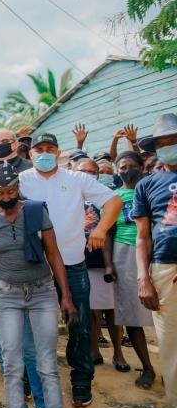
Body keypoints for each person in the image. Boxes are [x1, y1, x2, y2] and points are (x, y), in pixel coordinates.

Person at [0, 164, 78, 408]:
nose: (6, 197)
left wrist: (65, 295)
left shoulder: (36, 211)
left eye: (11, 191)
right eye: (0, 193)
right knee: (12, 361)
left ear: (18, 187)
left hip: (42, 292)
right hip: (7, 295)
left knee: (47, 363)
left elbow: (53, 254)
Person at [19, 132, 122, 408]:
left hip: (73, 263)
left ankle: (81, 379)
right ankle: (31, 377)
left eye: (49, 148)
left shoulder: (77, 179)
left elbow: (113, 202)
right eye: (38, 148)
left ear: (58, 152)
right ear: (30, 154)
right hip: (35, 266)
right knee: (34, 325)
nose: (44, 152)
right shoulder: (22, 181)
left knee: (78, 324)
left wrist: (100, 229)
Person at [135, 113, 177, 408]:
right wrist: (143, 278)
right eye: (162, 143)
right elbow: (142, 237)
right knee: (171, 347)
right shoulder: (146, 185)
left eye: (173, 141)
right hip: (163, 270)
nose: (168, 146)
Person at [106, 151, 156, 388]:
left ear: (141, 166)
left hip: (157, 250)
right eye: (121, 167)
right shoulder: (114, 197)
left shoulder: (152, 187)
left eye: (130, 166)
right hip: (124, 252)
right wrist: (109, 264)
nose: (126, 170)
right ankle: (147, 367)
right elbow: (107, 232)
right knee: (131, 313)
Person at [73, 158, 127, 373]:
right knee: (92, 311)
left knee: (112, 310)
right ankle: (94, 350)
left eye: (92, 171)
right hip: (79, 260)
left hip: (103, 262)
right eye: (82, 171)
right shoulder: (69, 196)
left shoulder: (104, 197)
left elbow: (111, 229)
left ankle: (118, 352)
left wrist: (109, 264)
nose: (87, 175)